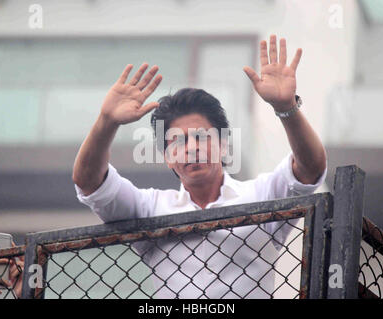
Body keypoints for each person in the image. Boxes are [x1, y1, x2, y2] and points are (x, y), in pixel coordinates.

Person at [72, 35, 327, 298]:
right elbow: (89, 182)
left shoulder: (260, 195)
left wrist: (287, 108)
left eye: (202, 136)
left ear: (224, 145)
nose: (192, 147)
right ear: (167, 157)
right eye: (178, 141)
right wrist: (106, 122)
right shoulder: (150, 208)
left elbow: (310, 168)